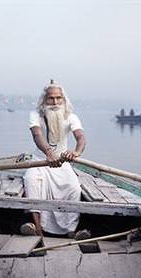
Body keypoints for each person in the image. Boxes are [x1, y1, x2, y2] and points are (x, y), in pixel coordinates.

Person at [22, 80, 88, 238]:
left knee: (74, 189)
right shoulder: (35, 115)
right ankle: (38, 229)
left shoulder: (70, 116)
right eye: (51, 98)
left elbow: (80, 137)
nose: (55, 102)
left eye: (59, 98)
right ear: (44, 100)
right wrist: (48, 152)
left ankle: (71, 231)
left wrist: (77, 152)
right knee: (31, 180)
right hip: (40, 161)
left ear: (64, 100)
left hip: (62, 163)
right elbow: (37, 134)